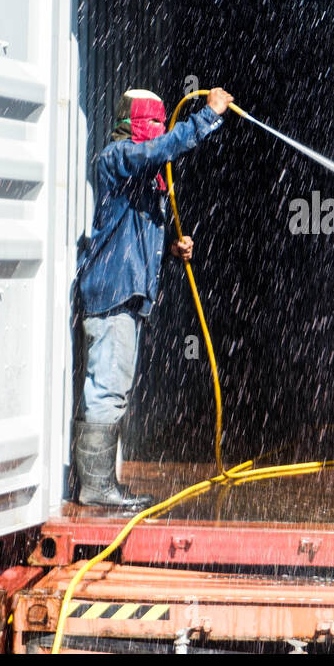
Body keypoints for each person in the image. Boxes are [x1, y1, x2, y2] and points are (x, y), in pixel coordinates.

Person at [74, 87, 232, 508]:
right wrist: (206, 118)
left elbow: (130, 231)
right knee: (108, 390)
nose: (160, 132)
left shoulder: (140, 174)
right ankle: (96, 487)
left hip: (125, 295)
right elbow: (157, 150)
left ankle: (100, 484)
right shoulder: (118, 158)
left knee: (114, 388)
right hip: (112, 295)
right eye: (156, 124)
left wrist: (170, 249)